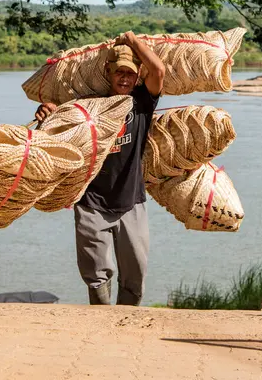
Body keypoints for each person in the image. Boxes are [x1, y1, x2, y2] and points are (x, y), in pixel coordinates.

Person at [35, 31, 165, 306]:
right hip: (91, 202)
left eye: (130, 73)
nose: (124, 79)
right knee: (95, 275)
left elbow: (159, 70)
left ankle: (126, 324)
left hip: (131, 202)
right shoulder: (90, 107)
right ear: (108, 72)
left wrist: (133, 42)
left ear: (138, 74)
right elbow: (58, 135)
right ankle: (101, 324)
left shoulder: (141, 102)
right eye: (119, 73)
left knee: (135, 275)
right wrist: (47, 113)